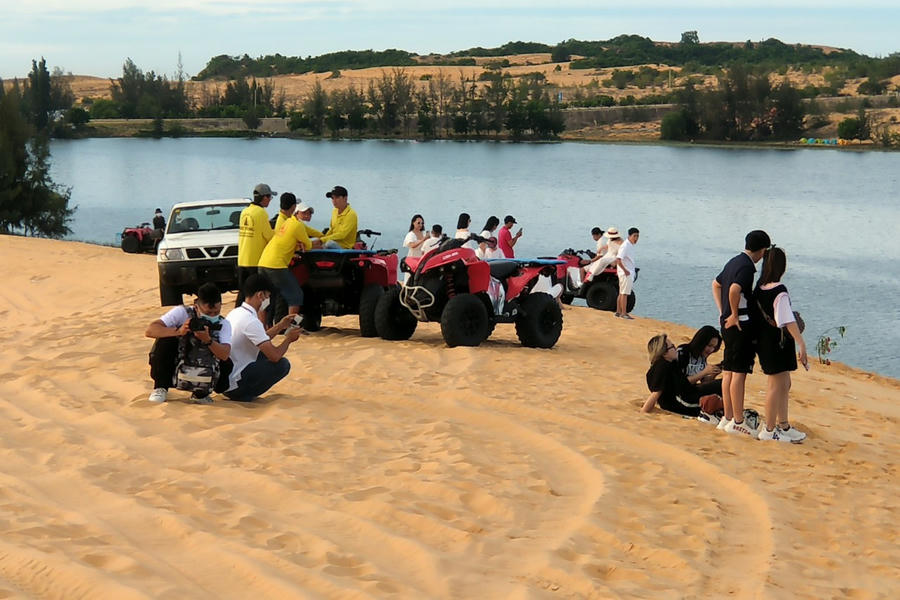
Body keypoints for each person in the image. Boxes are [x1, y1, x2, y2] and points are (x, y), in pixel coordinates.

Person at [712, 229, 771, 436]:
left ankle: (728, 417)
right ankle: (738, 420)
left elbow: (716, 284)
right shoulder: (747, 267)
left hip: (727, 325)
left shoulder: (734, 261)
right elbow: (733, 290)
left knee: (728, 370)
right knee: (739, 373)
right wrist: (734, 313)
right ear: (762, 250)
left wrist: (723, 312)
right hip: (740, 325)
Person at [754, 247, 808, 442]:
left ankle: (783, 425)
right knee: (776, 386)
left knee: (784, 383)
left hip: (765, 342)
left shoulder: (758, 288)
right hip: (777, 343)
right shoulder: (779, 290)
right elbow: (786, 320)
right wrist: (801, 343)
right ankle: (769, 430)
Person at [145, 282, 232, 404]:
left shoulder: (224, 324)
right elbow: (150, 330)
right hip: (181, 357)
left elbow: (225, 355)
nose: (212, 316)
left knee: (228, 362)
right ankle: (161, 387)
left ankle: (201, 393)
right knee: (165, 341)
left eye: (216, 312)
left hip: (206, 364)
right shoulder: (182, 313)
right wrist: (179, 331)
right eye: (208, 313)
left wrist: (208, 340)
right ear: (196, 306)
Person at [224, 274, 301, 402]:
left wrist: (280, 325)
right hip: (235, 384)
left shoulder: (236, 312)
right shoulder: (251, 321)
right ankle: (246, 395)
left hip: (226, 378)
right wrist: (288, 339)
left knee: (264, 350)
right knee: (283, 364)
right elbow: (275, 356)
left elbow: (261, 337)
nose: (268, 300)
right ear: (260, 295)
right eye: (268, 296)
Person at [641, 333, 724, 418]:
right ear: (664, 353)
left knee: (721, 385)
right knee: (722, 386)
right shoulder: (662, 367)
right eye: (672, 347)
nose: (675, 348)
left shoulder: (670, 364)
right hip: (683, 403)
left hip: (686, 395)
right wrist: (644, 412)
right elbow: (656, 393)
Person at [258, 193, 312, 319]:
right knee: (296, 295)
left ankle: (262, 327)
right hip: (276, 265)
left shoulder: (286, 222)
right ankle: (292, 327)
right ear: (295, 209)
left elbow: (285, 241)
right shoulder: (297, 225)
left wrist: (296, 246)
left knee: (265, 296)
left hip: (263, 261)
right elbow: (308, 245)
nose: (305, 215)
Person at [236, 183, 276, 306]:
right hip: (255, 260)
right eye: (270, 198)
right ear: (264, 198)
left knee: (243, 293)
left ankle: (234, 319)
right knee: (256, 294)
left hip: (242, 258)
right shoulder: (261, 213)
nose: (270, 201)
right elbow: (269, 236)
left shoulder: (245, 211)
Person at [615, 227, 640, 319]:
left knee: (622, 292)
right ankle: (623, 313)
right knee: (625, 293)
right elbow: (618, 259)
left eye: (637, 236)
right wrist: (625, 270)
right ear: (629, 236)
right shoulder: (625, 246)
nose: (636, 238)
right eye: (634, 236)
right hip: (626, 272)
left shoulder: (629, 245)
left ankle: (618, 311)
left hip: (627, 271)